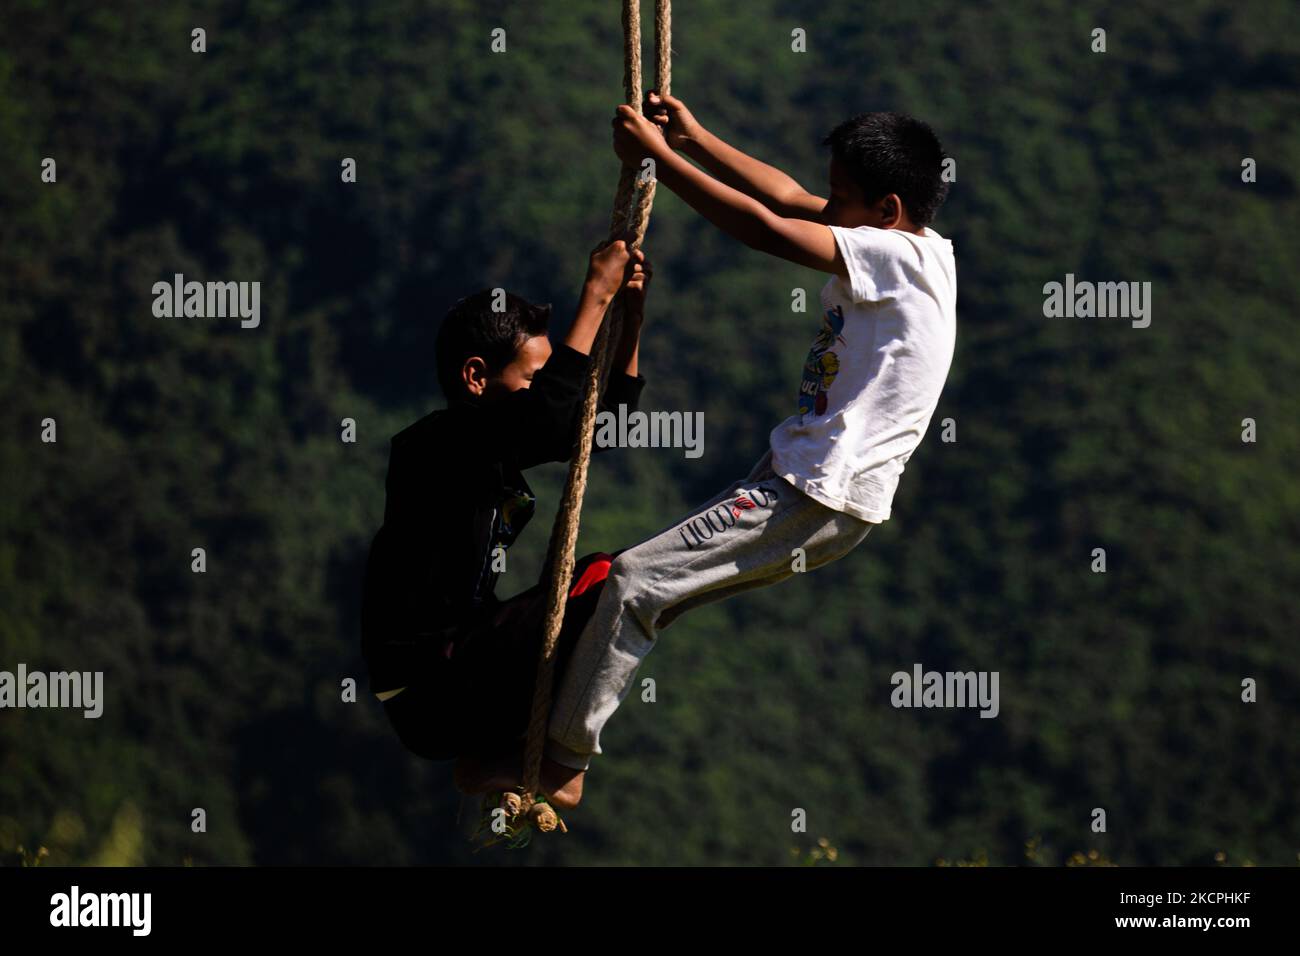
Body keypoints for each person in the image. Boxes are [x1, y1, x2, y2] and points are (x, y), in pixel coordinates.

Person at [540, 95, 958, 790]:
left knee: (636, 582)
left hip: (814, 491)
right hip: (815, 489)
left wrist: (657, 160)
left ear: (886, 210)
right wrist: (695, 137)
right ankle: (559, 747)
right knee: (651, 593)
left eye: (843, 198)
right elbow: (789, 197)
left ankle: (562, 764)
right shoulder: (922, 252)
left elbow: (766, 227)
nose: (829, 208)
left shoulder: (893, 256)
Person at [361, 239, 651, 809]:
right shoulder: (437, 446)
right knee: (614, 580)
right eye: (531, 380)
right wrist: (593, 297)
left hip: (458, 679)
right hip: (431, 692)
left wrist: (629, 319)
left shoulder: (492, 446)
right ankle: (558, 761)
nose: (541, 396)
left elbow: (599, 427)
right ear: (476, 376)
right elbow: (546, 421)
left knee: (601, 576)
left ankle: (493, 758)